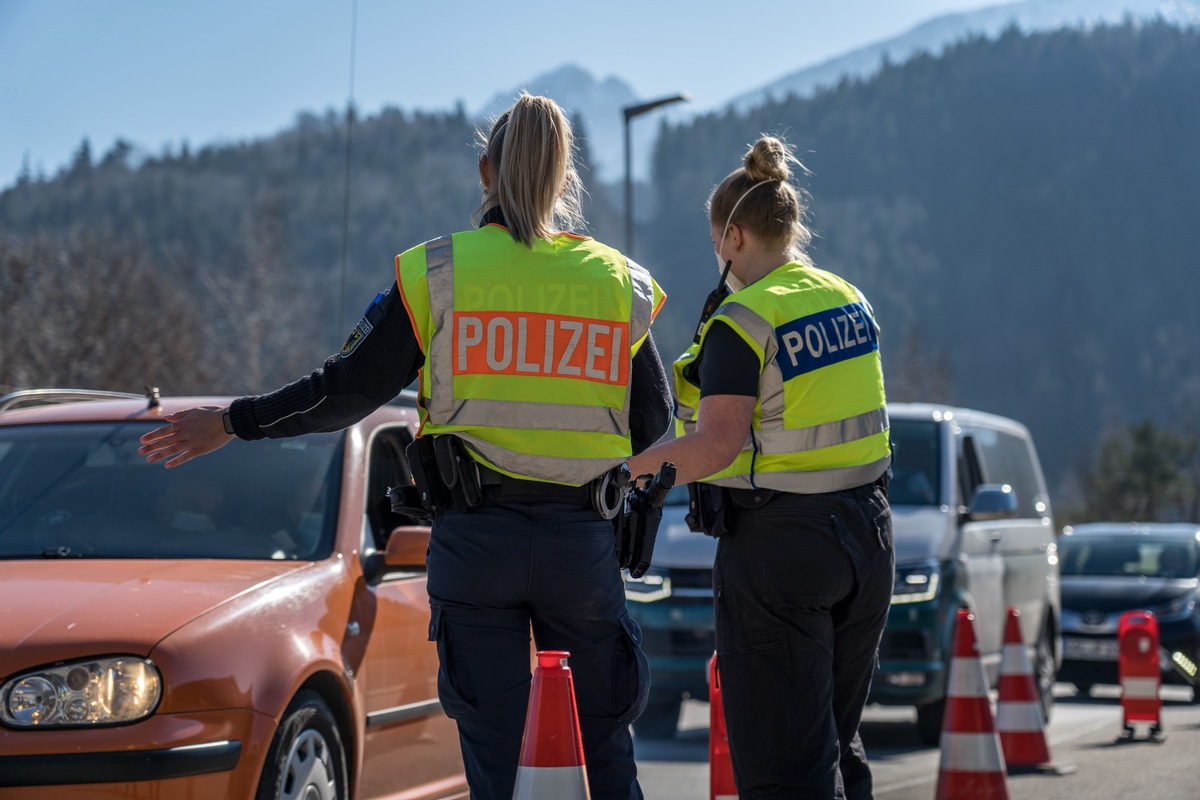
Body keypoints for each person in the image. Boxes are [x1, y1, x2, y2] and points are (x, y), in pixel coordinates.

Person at [139, 93, 671, 800]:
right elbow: (654, 416)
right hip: (582, 543)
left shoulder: (440, 273)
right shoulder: (612, 280)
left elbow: (346, 393)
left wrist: (234, 421)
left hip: (478, 546)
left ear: (486, 171)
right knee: (604, 753)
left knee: (499, 763)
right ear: (564, 178)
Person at [627, 135, 893, 799]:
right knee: (835, 743)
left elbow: (715, 446)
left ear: (735, 236)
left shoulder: (744, 320)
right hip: (869, 536)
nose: (717, 253)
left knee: (784, 767)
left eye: (717, 240)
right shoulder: (847, 298)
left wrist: (619, 473)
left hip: (782, 551)